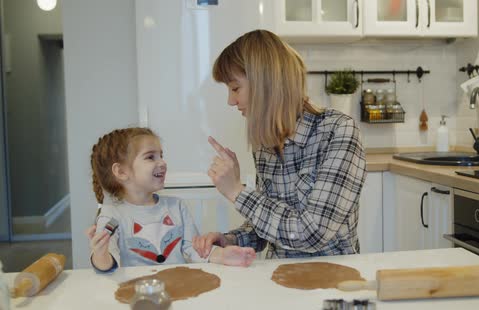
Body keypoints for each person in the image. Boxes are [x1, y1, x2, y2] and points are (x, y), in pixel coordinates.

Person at [193, 29, 366, 259]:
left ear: (265, 83)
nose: (230, 101)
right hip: (277, 277)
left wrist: (236, 191)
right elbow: (269, 226)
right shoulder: (265, 143)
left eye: (235, 88)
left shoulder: (339, 131)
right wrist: (230, 240)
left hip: (332, 281)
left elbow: (311, 232)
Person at [88, 127, 256, 273]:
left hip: (177, 288)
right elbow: (108, 264)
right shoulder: (111, 215)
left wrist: (223, 255)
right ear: (121, 172)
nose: (162, 162)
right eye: (150, 157)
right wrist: (101, 255)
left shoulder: (176, 206)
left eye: (161, 155)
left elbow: (192, 249)